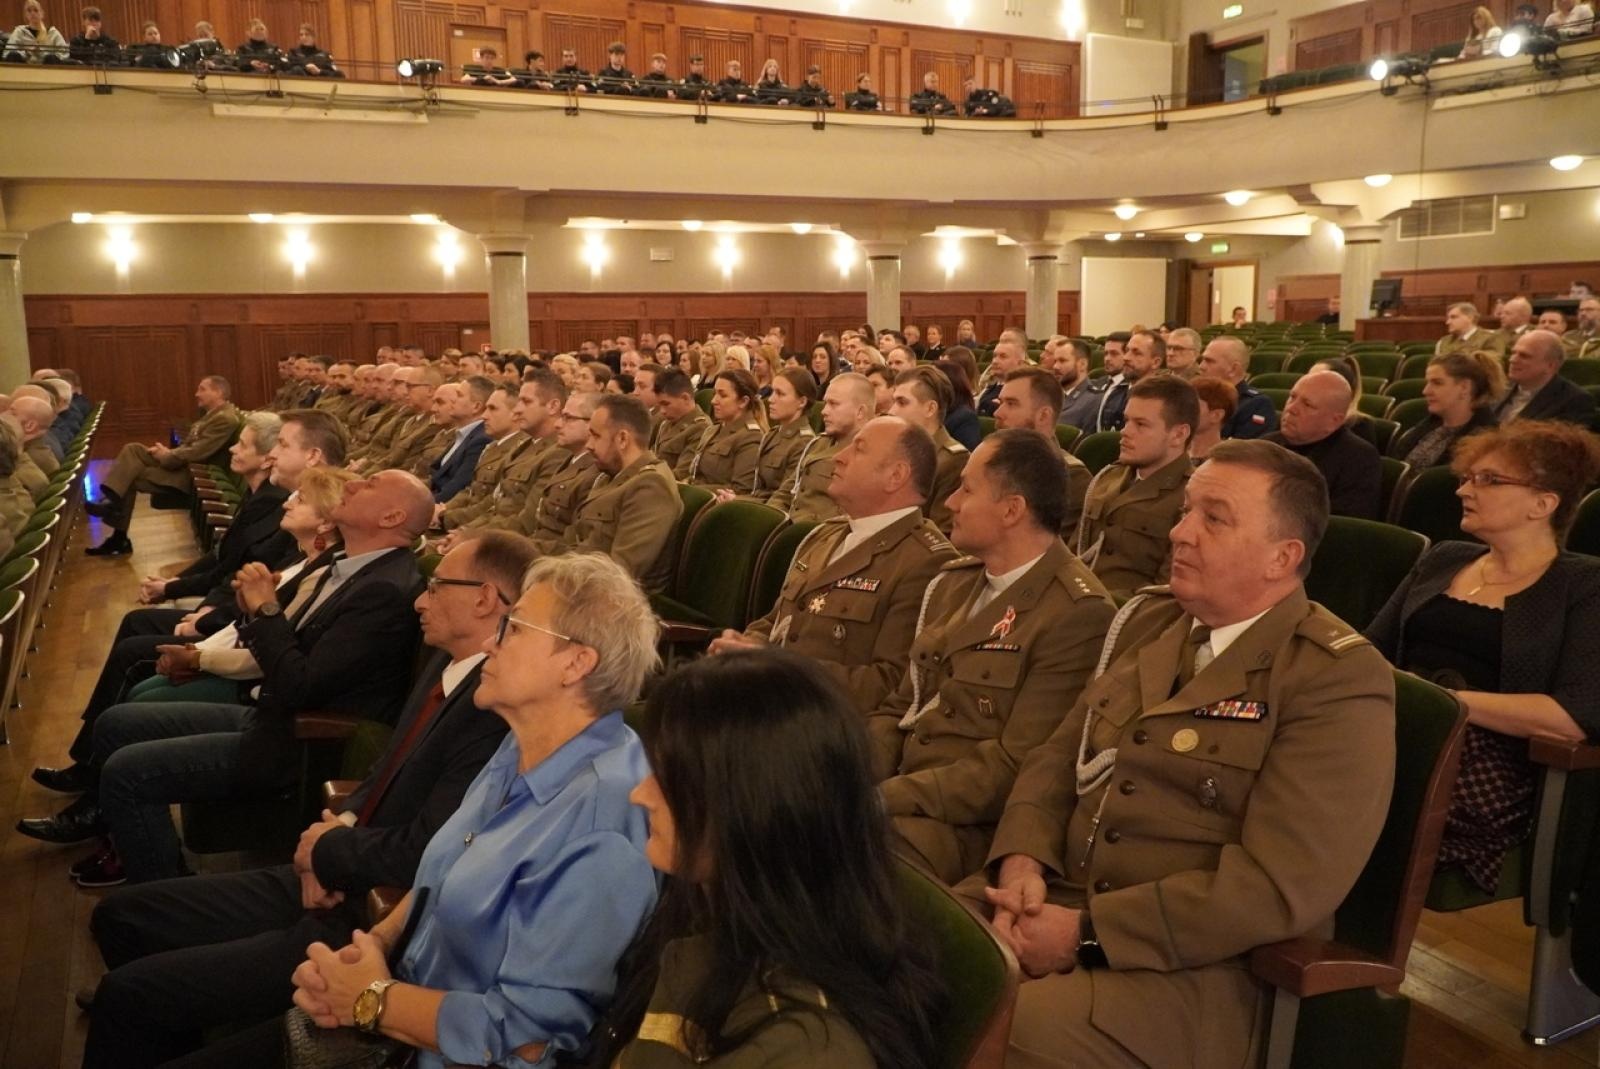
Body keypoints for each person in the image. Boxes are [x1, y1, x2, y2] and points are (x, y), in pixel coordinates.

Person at [975, 439, 1395, 1069]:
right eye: (1184, 511)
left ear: (1284, 557)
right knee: (888, 947)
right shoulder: (1152, 623)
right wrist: (1022, 866)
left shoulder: (1333, 678)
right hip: (1052, 898)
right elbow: (1057, 760)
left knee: (996, 1027)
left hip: (1192, 969)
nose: (1179, 532)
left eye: (1213, 518)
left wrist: (1085, 933)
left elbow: (1280, 886)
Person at [77, 531, 534, 1068]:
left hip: (363, 913)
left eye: (435, 587)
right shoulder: (447, 663)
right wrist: (332, 828)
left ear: (483, 598)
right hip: (337, 868)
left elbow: (425, 851)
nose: (419, 600)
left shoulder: (492, 704)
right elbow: (384, 767)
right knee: (120, 919)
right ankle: (183, 1026)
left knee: (127, 995)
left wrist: (327, 851)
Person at [286, 553, 659, 1069]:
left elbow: (531, 1038)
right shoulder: (519, 745)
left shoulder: (601, 823)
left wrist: (373, 999)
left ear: (576, 663)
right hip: (399, 1010)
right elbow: (439, 877)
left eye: (513, 629)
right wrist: (370, 947)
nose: (490, 642)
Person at [19, 472, 431, 884]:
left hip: (295, 742)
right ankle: (109, 832)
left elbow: (301, 684)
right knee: (114, 724)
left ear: (392, 516)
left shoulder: (384, 590)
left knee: (128, 773)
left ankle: (164, 895)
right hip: (270, 715)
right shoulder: (346, 565)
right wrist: (251, 613)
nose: (354, 485)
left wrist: (264, 611)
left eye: (369, 485)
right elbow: (288, 651)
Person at [588, 650, 945, 1067]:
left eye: (669, 779)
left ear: (752, 808)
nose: (640, 794)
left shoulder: (804, 1047)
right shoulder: (711, 923)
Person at [867, 430, 1115, 885]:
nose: (951, 503)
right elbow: (898, 707)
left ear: (1012, 510)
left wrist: (882, 797)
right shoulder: (953, 583)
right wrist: (854, 775)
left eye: (967, 488)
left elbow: (1011, 766)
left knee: (841, 849)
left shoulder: (1077, 614)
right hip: (900, 794)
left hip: (962, 825)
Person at [1367, 421, 1600, 894]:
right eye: (1468, 477)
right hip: (1395, 727)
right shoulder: (1445, 557)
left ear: (1544, 503)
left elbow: (1575, 716)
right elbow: (1370, 649)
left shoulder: (1583, 584)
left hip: (1486, 767)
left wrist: (1440, 702)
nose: (1463, 490)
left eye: (1488, 480)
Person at [713, 416, 955, 714]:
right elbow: (777, 621)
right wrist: (743, 646)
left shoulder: (926, 562)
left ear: (896, 476)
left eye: (858, 450)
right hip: (767, 698)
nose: (838, 458)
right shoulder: (826, 534)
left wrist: (779, 668)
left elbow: (892, 683)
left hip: (819, 719)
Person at [142, 412, 294, 607]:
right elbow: (220, 552)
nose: (232, 449)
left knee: (135, 624)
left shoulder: (270, 500)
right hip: (223, 590)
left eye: (242, 445)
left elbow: (230, 568)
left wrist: (171, 588)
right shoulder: (256, 493)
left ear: (266, 460)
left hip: (232, 602)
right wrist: (173, 581)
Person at [85, 375, 242, 556]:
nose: (196, 394)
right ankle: (112, 502)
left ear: (218, 392)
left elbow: (198, 452)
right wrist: (165, 451)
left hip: (194, 474)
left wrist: (168, 455)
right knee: (133, 449)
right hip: (184, 464)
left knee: (130, 477)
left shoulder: (226, 419)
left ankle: (118, 533)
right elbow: (190, 447)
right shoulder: (211, 415)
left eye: (202, 389)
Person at [548, 395, 682, 595]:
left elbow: (619, 573)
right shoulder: (610, 475)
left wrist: (547, 573)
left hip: (605, 603)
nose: (589, 445)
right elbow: (571, 543)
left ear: (622, 439)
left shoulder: (650, 486)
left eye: (596, 436)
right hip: (575, 577)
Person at [1075, 376, 1196, 597]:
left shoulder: (1192, 497)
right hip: (1078, 599)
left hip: (1128, 616)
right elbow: (1074, 553)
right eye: (1126, 421)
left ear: (1178, 434)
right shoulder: (1108, 477)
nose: (1125, 431)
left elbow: (1167, 593)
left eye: (1141, 424)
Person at [1266, 370, 1384, 520]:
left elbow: (1346, 524)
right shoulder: (1265, 445)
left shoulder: (1359, 460)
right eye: (1292, 397)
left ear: (1334, 421)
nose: (1291, 408)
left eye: (1307, 405)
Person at [993, 367, 1092, 545]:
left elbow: (1045, 553)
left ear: (1044, 415)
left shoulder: (1070, 477)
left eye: (1011, 403)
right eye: (1000, 403)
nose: (998, 413)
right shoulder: (991, 462)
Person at [764, 372, 874, 523]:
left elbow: (846, 518)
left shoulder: (869, 454)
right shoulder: (818, 443)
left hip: (820, 536)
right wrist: (768, 520)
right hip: (788, 527)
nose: (824, 411)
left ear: (860, 412)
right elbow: (785, 493)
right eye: (826, 403)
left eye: (834, 404)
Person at [1390, 350, 1503, 468]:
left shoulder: (1486, 439)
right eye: (1428, 383)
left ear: (1464, 387)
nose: (1426, 391)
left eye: (1437, 383)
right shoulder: (1426, 424)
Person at [436, 383, 525, 530]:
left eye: (493, 409)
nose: (484, 416)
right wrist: (442, 510)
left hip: (480, 529)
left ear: (515, 414)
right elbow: (470, 491)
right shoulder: (492, 447)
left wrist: (446, 518)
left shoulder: (517, 452)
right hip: (462, 522)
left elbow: (492, 504)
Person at [890, 365, 969, 533]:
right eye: (893, 401)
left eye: (902, 402)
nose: (892, 411)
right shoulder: (897, 451)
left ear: (930, 409)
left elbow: (942, 533)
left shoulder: (953, 461)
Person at [737, 366, 816, 500]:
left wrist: (738, 500)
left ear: (802, 402)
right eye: (773, 392)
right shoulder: (772, 434)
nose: (770, 399)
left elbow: (785, 499)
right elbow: (757, 487)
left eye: (780, 394)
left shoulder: (804, 443)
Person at [678, 369, 765, 491]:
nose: (713, 401)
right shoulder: (712, 430)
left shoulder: (751, 437)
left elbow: (740, 490)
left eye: (722, 395)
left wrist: (694, 492)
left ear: (743, 401)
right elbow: (694, 474)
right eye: (715, 394)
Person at [1495, 329, 1598, 426]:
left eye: (1524, 356)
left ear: (1550, 366)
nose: (1512, 360)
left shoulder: (1574, 401)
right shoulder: (1499, 388)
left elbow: (1565, 442)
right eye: (1513, 353)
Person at [1198, 335, 1278, 438]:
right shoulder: (1196, 397)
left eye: (1209, 361)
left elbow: (1241, 450)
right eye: (1202, 360)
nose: (1201, 366)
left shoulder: (1256, 405)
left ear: (1233, 369)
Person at [428, 375, 492, 503]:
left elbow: (458, 486)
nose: (453, 401)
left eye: (459, 395)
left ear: (476, 407)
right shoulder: (463, 433)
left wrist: (425, 507)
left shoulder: (480, 439)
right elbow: (436, 475)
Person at [1094, 330, 1164, 433]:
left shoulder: (1162, 400)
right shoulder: (1115, 392)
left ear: (1155, 362)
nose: (1126, 357)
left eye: (1136, 353)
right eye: (1127, 351)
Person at [649, 367, 711, 474]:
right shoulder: (666, 423)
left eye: (666, 404)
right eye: (660, 405)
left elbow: (682, 473)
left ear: (685, 398)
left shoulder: (700, 428)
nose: (662, 411)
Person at [1188, 375, 1237, 460]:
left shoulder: (1228, 460)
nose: (1182, 410)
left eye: (1192, 405)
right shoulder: (1172, 453)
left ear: (1216, 415)